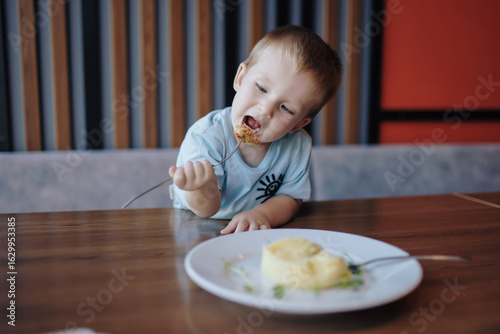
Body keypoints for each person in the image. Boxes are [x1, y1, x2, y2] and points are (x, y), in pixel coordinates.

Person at [169, 25, 342, 233]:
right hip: (198, 226)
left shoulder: (297, 145)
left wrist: (263, 214)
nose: (266, 110)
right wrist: (202, 188)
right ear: (240, 78)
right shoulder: (206, 137)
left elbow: (291, 197)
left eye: (286, 108)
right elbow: (205, 211)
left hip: (254, 233)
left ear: (298, 124)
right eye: (261, 88)